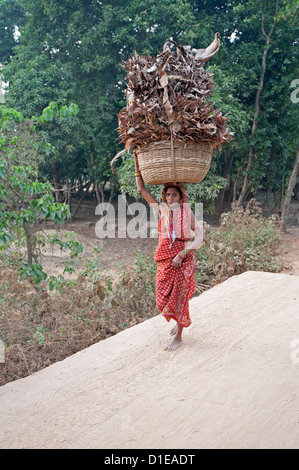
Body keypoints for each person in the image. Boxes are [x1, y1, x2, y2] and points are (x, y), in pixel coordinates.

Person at [134, 154, 204, 351]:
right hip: (164, 261)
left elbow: (200, 237)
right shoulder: (162, 210)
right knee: (163, 298)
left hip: (183, 260)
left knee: (180, 297)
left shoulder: (186, 213)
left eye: (175, 194)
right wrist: (137, 160)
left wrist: (182, 254)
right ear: (164, 197)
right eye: (168, 195)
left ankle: (179, 337)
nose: (171, 198)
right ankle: (177, 322)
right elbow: (141, 189)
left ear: (181, 197)